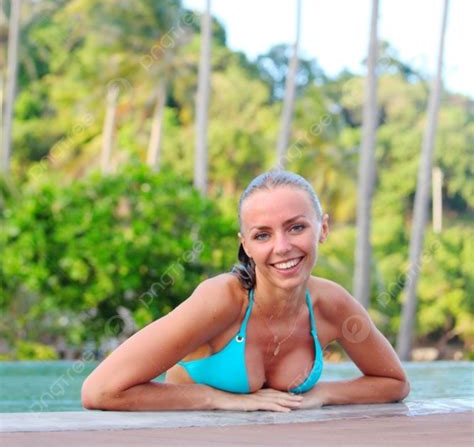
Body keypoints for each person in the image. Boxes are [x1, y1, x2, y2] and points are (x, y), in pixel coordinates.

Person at [82, 170, 410, 412]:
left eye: (296, 227)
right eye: (262, 235)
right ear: (246, 245)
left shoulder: (331, 304)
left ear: (322, 229)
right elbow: (100, 391)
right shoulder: (222, 301)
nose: (282, 247)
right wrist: (219, 399)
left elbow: (395, 383)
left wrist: (322, 394)